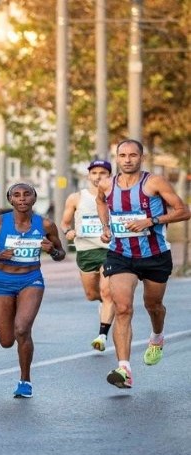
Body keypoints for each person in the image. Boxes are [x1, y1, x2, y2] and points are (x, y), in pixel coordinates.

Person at [96, 139, 190, 389]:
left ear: (141, 158)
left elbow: (184, 210)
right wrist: (106, 227)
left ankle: (157, 337)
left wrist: (152, 220)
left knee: (153, 305)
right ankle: (123, 369)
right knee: (123, 307)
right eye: (123, 155)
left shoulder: (154, 182)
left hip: (155, 256)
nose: (127, 159)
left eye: (133, 155)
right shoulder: (106, 184)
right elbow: (100, 201)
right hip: (120, 254)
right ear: (116, 158)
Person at [0, 183, 66, 398]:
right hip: (2, 281)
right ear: (10, 200)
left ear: (34, 198)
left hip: (31, 279)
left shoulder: (46, 225)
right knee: (6, 341)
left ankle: (25, 381)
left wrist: (52, 250)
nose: (22, 198)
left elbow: (60, 254)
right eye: (17, 195)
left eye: (27, 194)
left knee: (22, 328)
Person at [61, 159, 115, 351]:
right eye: (94, 173)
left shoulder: (115, 195)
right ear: (89, 176)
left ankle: (102, 335)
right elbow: (65, 222)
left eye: (102, 173)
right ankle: (103, 303)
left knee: (108, 292)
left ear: (109, 175)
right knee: (92, 295)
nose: (98, 176)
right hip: (85, 251)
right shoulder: (76, 198)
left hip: (111, 250)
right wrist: (68, 231)